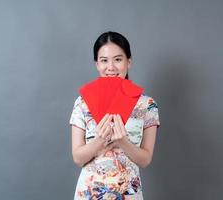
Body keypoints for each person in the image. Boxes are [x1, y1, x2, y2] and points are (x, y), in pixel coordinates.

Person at [69, 31, 160, 200]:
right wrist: (99, 140)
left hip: (128, 193)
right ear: (97, 64)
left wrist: (123, 142)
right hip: (90, 193)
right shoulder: (82, 103)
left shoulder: (147, 105)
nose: (110, 67)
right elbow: (77, 157)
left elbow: (145, 159)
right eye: (104, 60)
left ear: (129, 62)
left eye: (118, 59)